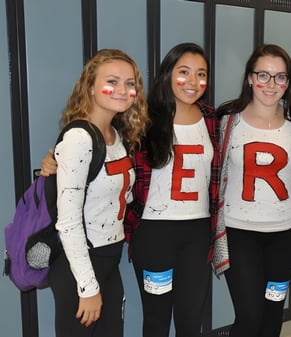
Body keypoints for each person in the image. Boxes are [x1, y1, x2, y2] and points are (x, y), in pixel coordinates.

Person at [48, 48, 148, 337]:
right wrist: (88, 287)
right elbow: (67, 222)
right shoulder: (79, 137)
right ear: (90, 87)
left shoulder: (117, 136)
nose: (123, 90)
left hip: (109, 260)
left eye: (130, 83)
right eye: (112, 81)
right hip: (80, 265)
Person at [124, 42, 219, 337]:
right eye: (184, 72)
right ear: (167, 74)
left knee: (191, 321)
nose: (193, 82)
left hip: (198, 233)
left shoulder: (213, 118)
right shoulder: (142, 119)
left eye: (201, 74)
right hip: (154, 234)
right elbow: (102, 142)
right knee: (156, 321)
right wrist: (56, 159)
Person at [214, 44, 291, 337]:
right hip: (240, 233)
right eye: (263, 75)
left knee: (272, 312)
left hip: (285, 234)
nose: (271, 84)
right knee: (249, 316)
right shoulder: (227, 120)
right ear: (250, 78)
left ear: (288, 84)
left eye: (280, 77)